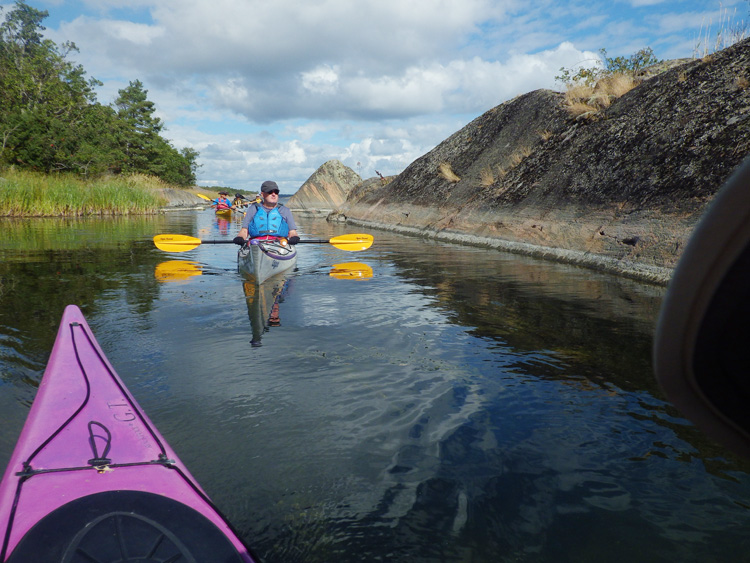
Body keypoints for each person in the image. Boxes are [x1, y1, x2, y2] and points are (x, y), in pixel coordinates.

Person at [234, 181, 299, 244]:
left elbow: (292, 232)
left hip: (279, 243)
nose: (273, 194)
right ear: (262, 194)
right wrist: (240, 237)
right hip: (256, 244)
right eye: (270, 192)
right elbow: (244, 231)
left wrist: (294, 237)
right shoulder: (253, 209)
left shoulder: (285, 211)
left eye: (276, 192)